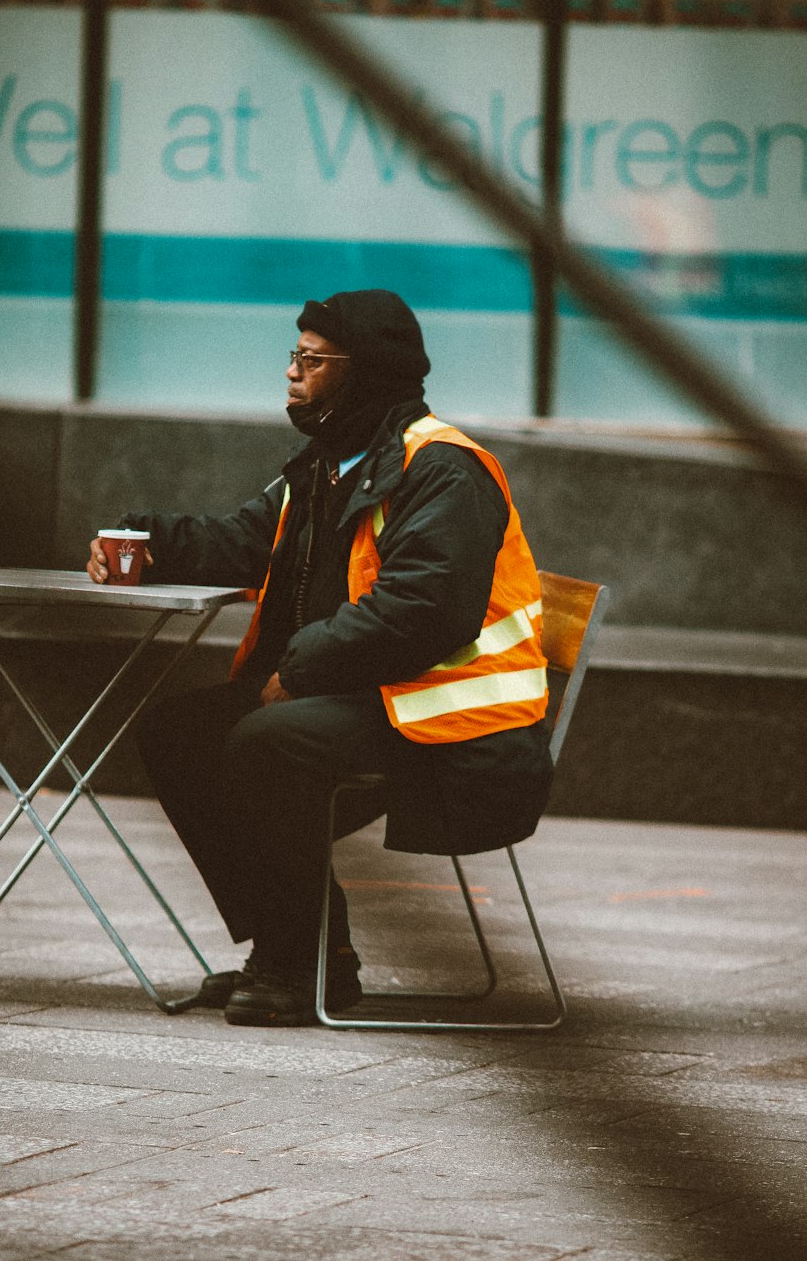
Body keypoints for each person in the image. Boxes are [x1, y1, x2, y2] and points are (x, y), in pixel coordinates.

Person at [87, 289, 553, 1027]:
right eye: (293, 357)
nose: (292, 374)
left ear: (363, 373)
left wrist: (301, 668)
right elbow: (244, 542)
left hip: (459, 728)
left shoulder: (442, 468)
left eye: (312, 360)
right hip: (370, 699)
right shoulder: (324, 466)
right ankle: (311, 953)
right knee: (178, 733)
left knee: (271, 744)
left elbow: (424, 607)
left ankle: (293, 962)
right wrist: (147, 543)